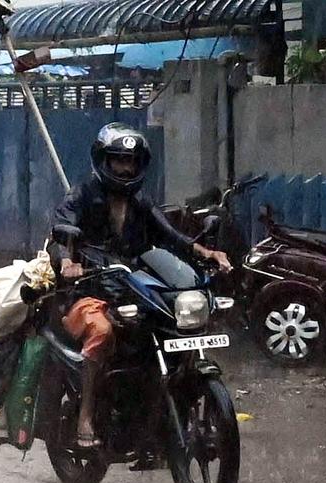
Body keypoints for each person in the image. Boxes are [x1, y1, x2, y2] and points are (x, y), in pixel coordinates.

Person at [48, 123, 232, 450]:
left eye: (131, 161)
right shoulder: (83, 193)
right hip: (90, 291)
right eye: (119, 160)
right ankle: (86, 415)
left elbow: (171, 236)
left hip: (130, 289)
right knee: (102, 332)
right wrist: (67, 262)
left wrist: (206, 253)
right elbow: (61, 232)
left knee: (167, 327)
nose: (126, 167)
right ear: (104, 161)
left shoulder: (140, 201)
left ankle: (159, 407)